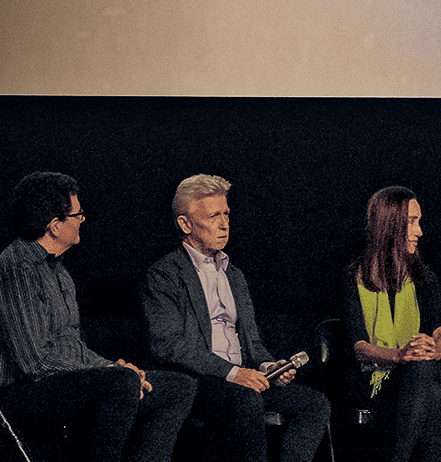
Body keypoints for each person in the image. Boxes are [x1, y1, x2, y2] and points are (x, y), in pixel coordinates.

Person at [0, 172, 197, 462]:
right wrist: (113, 374)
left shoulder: (58, 271)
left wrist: (112, 366)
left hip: (61, 382)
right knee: (118, 385)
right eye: (77, 214)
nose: (83, 219)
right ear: (54, 225)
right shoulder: (17, 269)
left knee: (179, 387)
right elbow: (35, 361)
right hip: (20, 393)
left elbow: (73, 349)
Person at [141, 174, 331, 462]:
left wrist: (270, 365)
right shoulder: (164, 275)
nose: (224, 223)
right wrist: (233, 373)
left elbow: (251, 340)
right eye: (214, 215)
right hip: (200, 381)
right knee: (245, 402)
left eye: (226, 213)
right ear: (185, 224)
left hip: (244, 377)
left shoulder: (235, 275)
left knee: (315, 404)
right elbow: (168, 345)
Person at [344, 186, 441, 462]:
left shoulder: (422, 275)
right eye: (412, 222)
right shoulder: (355, 276)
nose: (420, 231)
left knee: (427, 370)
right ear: (389, 225)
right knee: (432, 385)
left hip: (416, 381)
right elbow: (358, 345)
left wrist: (435, 349)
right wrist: (398, 355)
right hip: (373, 384)